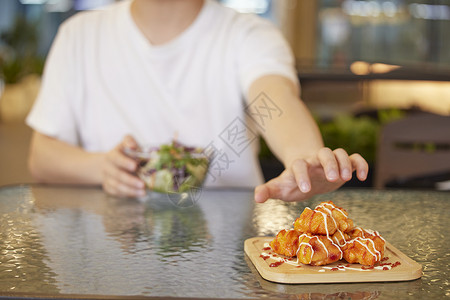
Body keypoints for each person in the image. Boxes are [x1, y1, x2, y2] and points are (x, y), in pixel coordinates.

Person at [26, 0, 368, 203]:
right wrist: (101, 167)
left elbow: (275, 100)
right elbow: (42, 156)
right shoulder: (79, 35)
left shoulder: (247, 33)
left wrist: (304, 158)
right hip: (107, 250)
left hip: (229, 259)